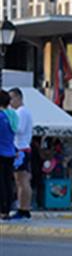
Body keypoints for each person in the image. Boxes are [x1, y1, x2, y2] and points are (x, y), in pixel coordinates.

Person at [8, 88, 34, 220]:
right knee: (21, 180)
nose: (10, 102)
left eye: (11, 98)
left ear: (18, 98)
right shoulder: (22, 112)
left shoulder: (21, 112)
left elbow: (19, 129)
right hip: (22, 148)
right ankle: (24, 208)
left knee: (21, 180)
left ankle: (23, 208)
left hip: (21, 149)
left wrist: (9, 124)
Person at [0, 90, 17, 220]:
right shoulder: (12, 116)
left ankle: (2, 209)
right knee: (7, 182)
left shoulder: (1, 116)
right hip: (10, 152)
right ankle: (6, 210)